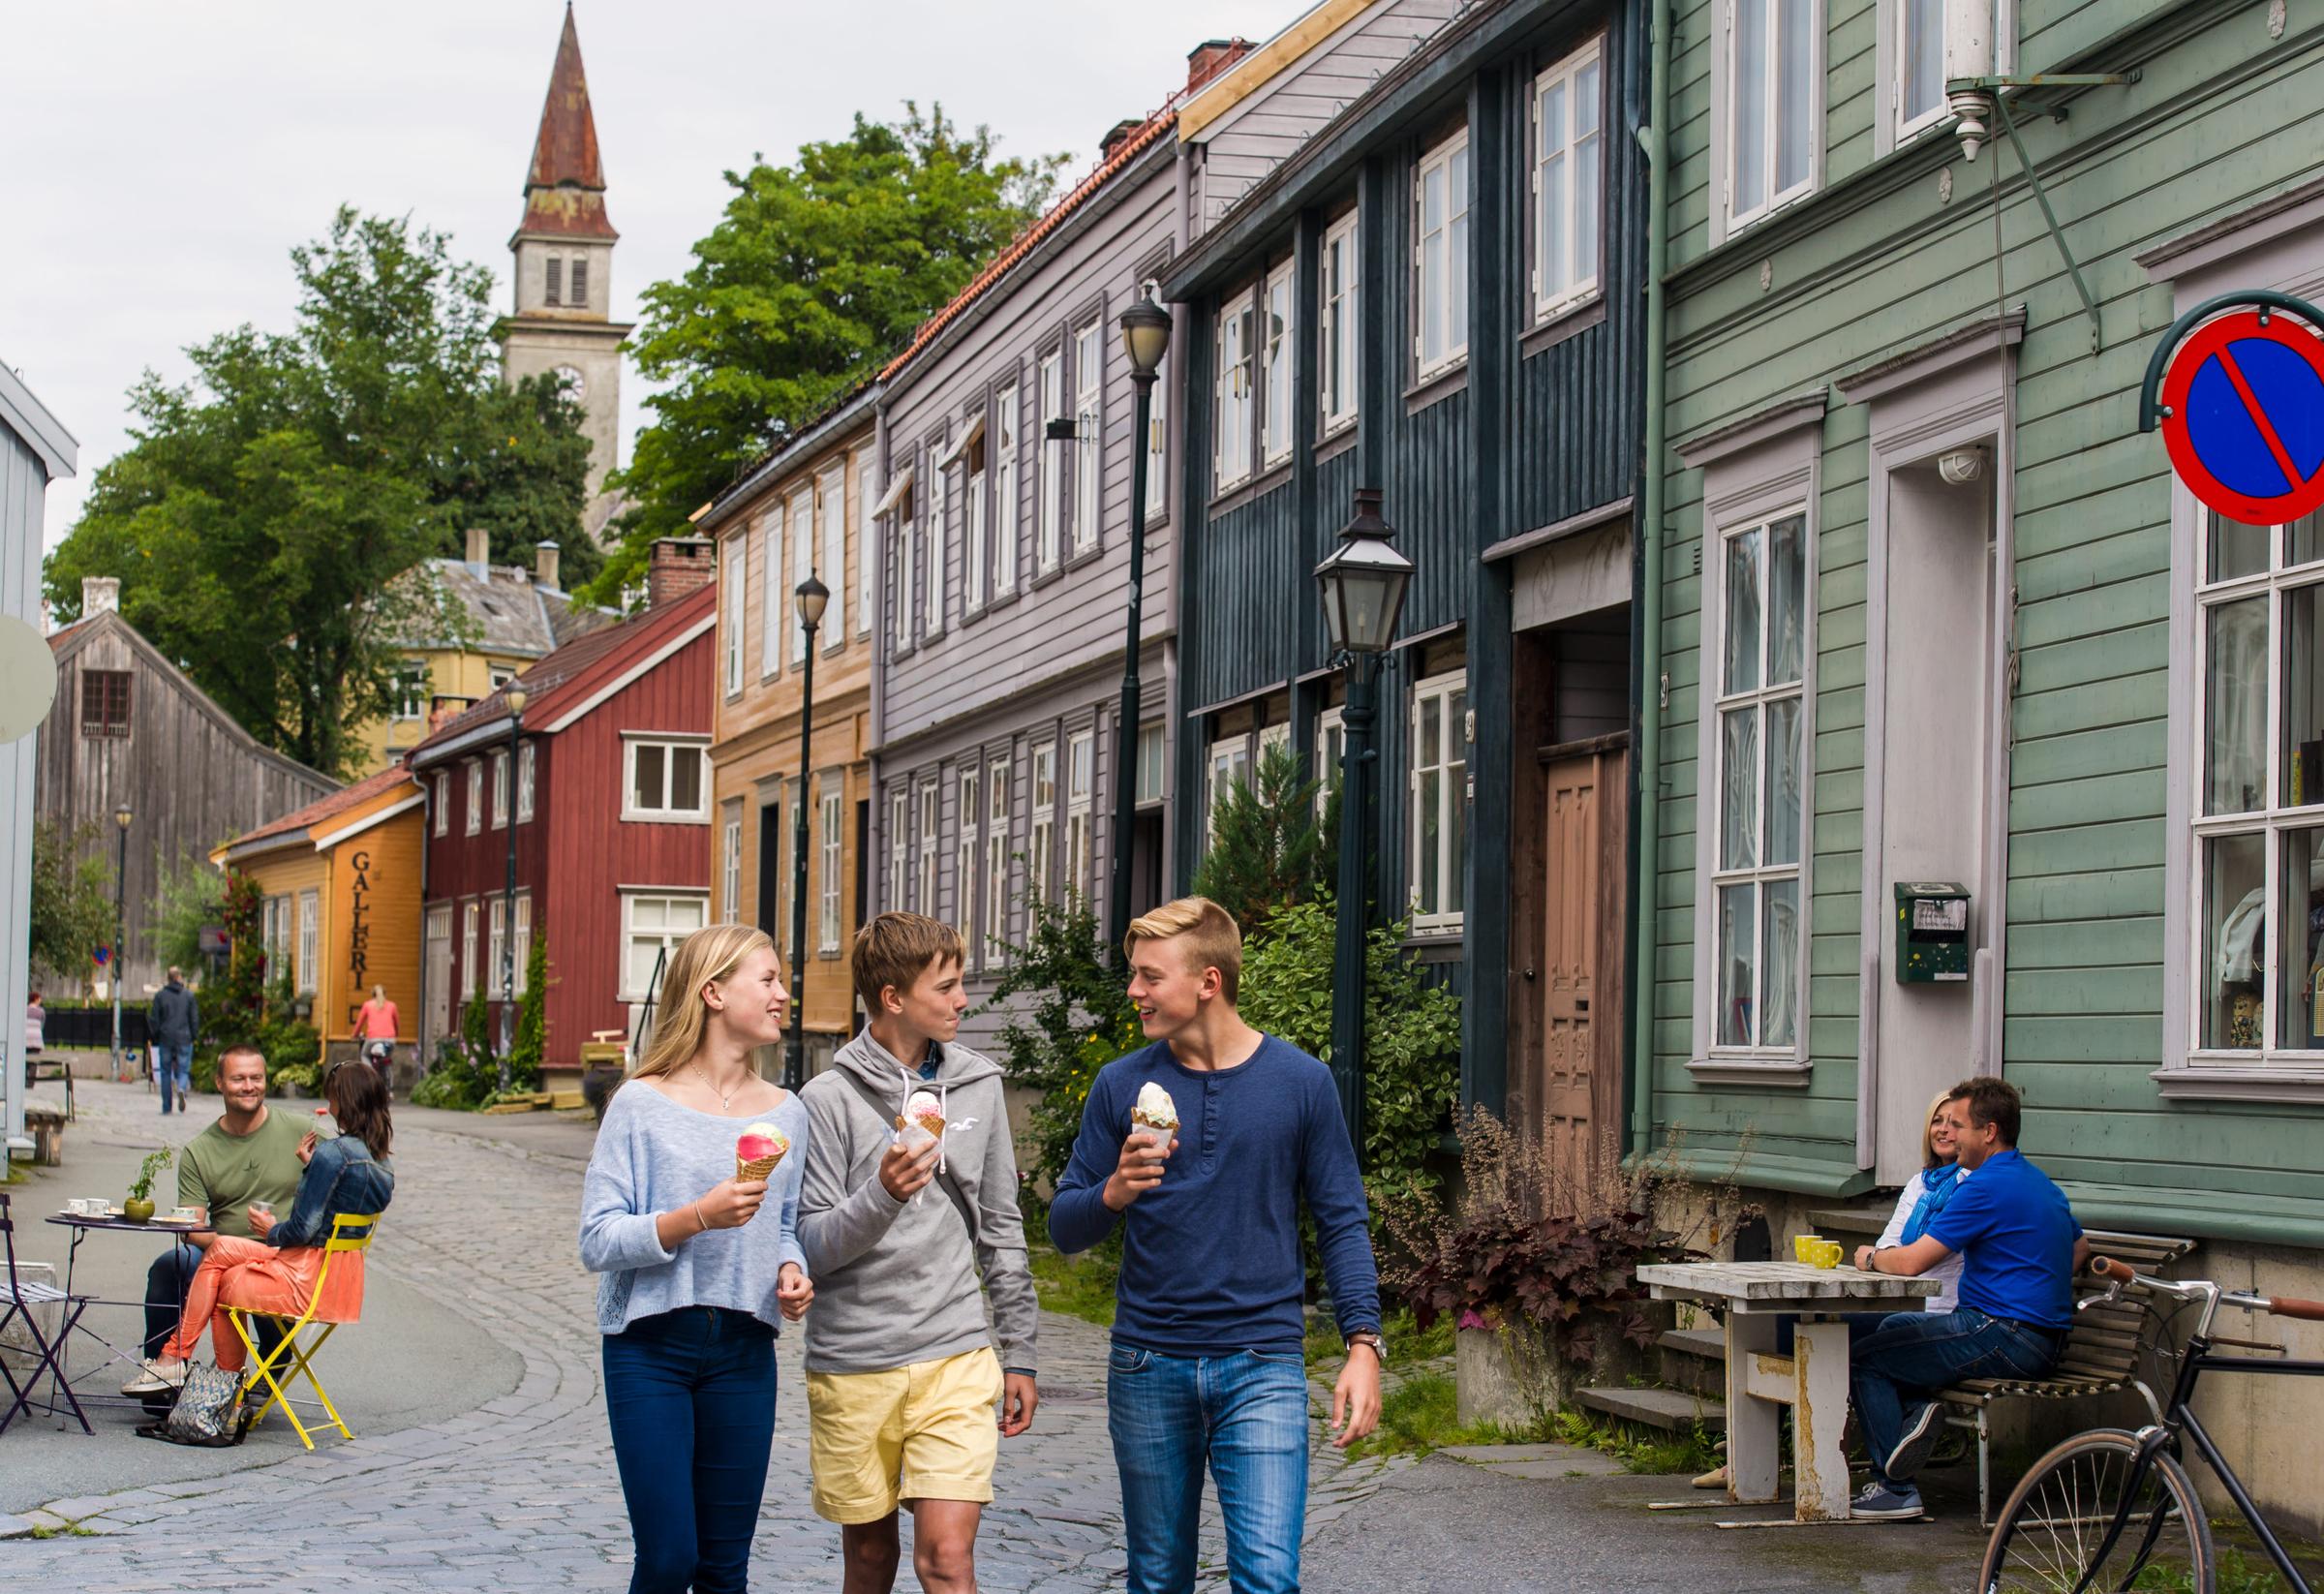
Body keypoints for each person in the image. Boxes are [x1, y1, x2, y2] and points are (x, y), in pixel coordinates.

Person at [1051, 897, 1383, 1594]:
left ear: (1209, 981)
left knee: (1266, 1578)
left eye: (1149, 976)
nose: (1134, 991)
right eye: (1133, 975)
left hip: (1262, 1362)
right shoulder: (1120, 1085)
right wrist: (1113, 1191)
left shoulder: (1300, 1083)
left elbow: (1342, 1220)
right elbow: (1064, 1226)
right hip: (1147, 1363)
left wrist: (1362, 1343)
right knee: (1158, 1579)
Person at [797, 912, 1037, 1594]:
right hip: (854, 1362)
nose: (964, 1000)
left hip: (955, 1354)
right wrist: (883, 1195)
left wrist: (1018, 1351)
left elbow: (999, 1223)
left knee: (946, 1559)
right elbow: (812, 1246)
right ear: (894, 997)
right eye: (948, 986)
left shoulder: (980, 1086)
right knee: (871, 1561)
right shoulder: (827, 1100)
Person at [579, 923, 812, 1594]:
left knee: (723, 1570)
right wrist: (696, 1219)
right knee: (669, 1560)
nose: (782, 994)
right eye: (767, 980)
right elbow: (598, 1239)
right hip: (650, 1348)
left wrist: (791, 1272)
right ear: (712, 992)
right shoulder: (640, 1103)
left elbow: (786, 1225)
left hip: (744, 1350)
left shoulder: (787, 1113)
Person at [1846, 1076, 2089, 1520]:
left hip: (2000, 1332)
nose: (1950, 1135)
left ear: (1989, 1132)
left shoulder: (1982, 1186)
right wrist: (2037, 1282)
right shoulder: (2038, 1182)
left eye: (1958, 1125)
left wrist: (1869, 1257)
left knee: (1866, 1358)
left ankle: (1895, 1486)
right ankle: (1919, 1418)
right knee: (1896, 1328)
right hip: (2038, 1338)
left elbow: (1914, 1262)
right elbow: (2080, 1248)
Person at [139, 1059, 397, 1384]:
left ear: (344, 1100)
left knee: (219, 1277)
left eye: (332, 1098)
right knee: (216, 1253)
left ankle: (216, 1386)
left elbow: (303, 1229)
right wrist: (312, 1168)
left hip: (303, 1273)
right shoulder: (381, 1161)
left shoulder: (333, 1153)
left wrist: (270, 1229)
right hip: (340, 1279)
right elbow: (341, 1204)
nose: (329, 1107)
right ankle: (195, 1371)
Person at [122, 1043, 307, 1395]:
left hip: (282, 1252)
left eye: (257, 1077)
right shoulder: (200, 1149)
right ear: (219, 1083)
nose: (249, 1086)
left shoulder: (299, 1128)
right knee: (169, 1265)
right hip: (215, 1252)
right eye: (238, 1078)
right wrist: (228, 1247)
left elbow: (344, 1168)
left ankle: (265, 1379)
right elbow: (192, 1227)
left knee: (250, 1276)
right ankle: (161, 1381)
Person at [148, 966, 199, 1115]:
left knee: (165, 1072)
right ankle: (182, 1088)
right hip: (184, 1037)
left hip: (166, 1038)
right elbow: (194, 1019)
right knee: (184, 1069)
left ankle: (166, 1106)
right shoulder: (189, 996)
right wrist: (193, 1036)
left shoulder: (160, 996)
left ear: (169, 978)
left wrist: (156, 1036)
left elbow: (154, 1019)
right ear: (179, 977)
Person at [354, 985, 401, 1081]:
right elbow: (396, 1023)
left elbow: (359, 1023)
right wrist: (396, 1034)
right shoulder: (392, 1005)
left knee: (364, 1055)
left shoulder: (368, 1005)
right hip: (390, 1040)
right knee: (385, 1059)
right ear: (385, 994)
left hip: (373, 1039)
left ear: (373, 995)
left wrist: (354, 1035)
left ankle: (371, 1075)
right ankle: (389, 1089)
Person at [22, 991, 42, 1094]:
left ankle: (23, 1080)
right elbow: (42, 1023)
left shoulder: (24, 1010)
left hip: (25, 1038)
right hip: (36, 1039)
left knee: (24, 1060)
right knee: (34, 1062)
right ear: (36, 999)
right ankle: (31, 1083)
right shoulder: (40, 1011)